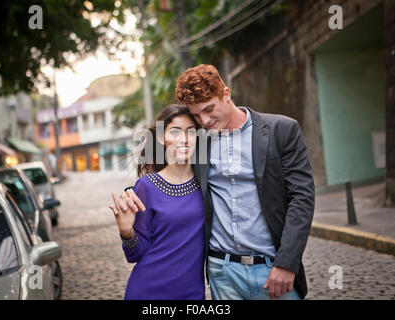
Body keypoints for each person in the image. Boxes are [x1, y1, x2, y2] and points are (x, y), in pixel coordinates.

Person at [114, 64, 315, 300]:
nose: (205, 120)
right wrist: (132, 200)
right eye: (197, 115)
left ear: (226, 94)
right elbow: (171, 177)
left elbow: (302, 197)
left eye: (209, 109)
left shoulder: (281, 130)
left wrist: (287, 262)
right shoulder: (202, 142)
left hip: (274, 271)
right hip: (223, 273)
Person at [109, 104, 205, 300]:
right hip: (149, 291)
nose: (184, 139)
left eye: (191, 132)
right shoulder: (146, 186)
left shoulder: (206, 183)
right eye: (175, 132)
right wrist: (127, 233)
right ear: (161, 138)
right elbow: (134, 255)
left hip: (192, 293)